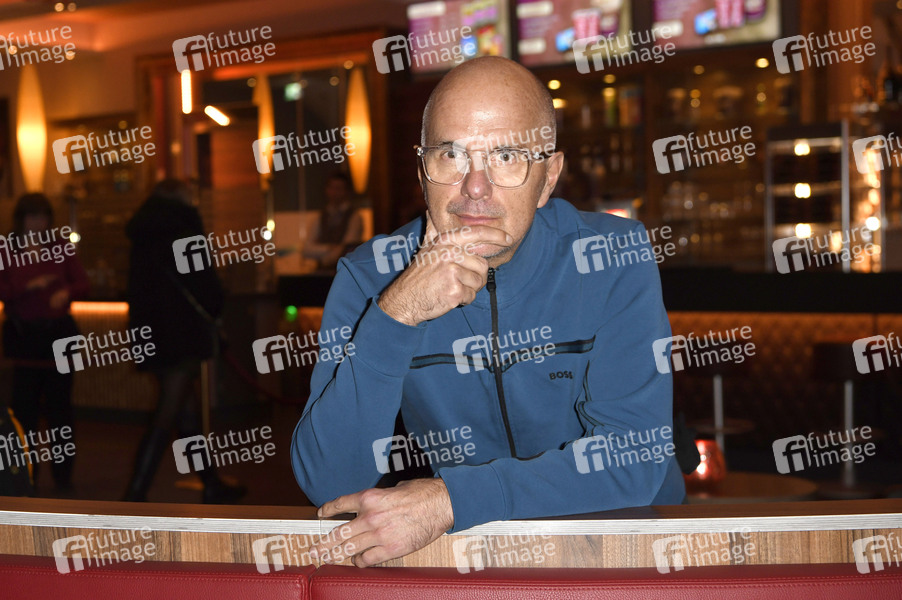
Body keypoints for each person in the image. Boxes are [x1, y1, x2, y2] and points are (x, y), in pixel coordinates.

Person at [290, 56, 685, 567]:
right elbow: (330, 484)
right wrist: (397, 314)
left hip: (617, 547)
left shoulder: (613, 255)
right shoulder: (369, 278)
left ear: (549, 177)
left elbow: (634, 459)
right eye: (450, 154)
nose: (475, 186)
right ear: (422, 171)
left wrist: (452, 499)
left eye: (507, 155)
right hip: (468, 554)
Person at [122, 179, 244, 503]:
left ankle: (211, 483)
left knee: (185, 411)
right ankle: (135, 493)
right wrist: (217, 307)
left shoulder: (142, 230)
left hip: (152, 331)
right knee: (168, 409)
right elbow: (202, 278)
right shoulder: (184, 225)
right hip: (180, 331)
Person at [0, 193, 89, 493]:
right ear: (22, 219)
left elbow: (82, 282)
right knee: (24, 411)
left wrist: (66, 291)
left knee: (60, 409)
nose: (38, 223)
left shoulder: (59, 247)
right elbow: (3, 289)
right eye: (33, 217)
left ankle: (63, 477)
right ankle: (27, 476)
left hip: (58, 334)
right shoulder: (7, 248)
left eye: (43, 217)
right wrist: (27, 286)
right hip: (24, 337)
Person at [302, 172, 365, 270]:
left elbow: (347, 250)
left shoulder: (354, 217)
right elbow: (306, 250)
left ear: (346, 191)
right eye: (332, 188)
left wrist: (324, 256)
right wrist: (330, 248)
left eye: (339, 189)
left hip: (344, 271)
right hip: (324, 272)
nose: (334, 193)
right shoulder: (320, 216)